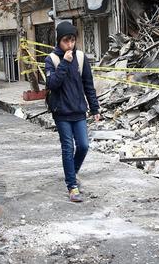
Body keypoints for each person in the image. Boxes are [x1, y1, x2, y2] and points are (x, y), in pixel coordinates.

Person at [44, 21, 100, 202]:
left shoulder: (81, 58)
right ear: (59, 41)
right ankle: (72, 186)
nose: (70, 45)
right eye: (66, 41)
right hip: (61, 112)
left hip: (78, 110)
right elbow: (52, 84)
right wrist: (65, 64)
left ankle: (72, 173)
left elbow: (88, 85)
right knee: (68, 148)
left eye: (72, 40)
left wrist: (94, 108)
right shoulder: (51, 60)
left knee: (83, 146)